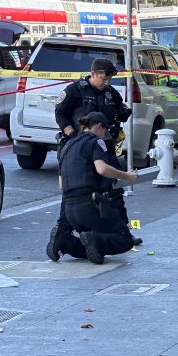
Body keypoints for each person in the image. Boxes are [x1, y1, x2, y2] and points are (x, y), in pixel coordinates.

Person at [47, 58, 133, 260]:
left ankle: (118, 230)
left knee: (111, 187)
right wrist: (73, 138)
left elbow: (120, 110)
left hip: (104, 144)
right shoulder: (75, 90)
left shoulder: (110, 93)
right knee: (75, 186)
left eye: (110, 78)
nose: (107, 82)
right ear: (93, 73)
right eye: (104, 78)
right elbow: (61, 114)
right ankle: (63, 231)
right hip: (78, 145)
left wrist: (122, 113)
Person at [56, 112, 138, 265]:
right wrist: (127, 176)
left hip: (68, 210)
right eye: (105, 131)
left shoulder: (67, 146)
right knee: (125, 239)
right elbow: (101, 169)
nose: (105, 135)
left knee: (88, 242)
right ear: (99, 126)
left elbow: (61, 184)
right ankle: (95, 240)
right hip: (90, 205)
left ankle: (65, 242)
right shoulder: (96, 142)